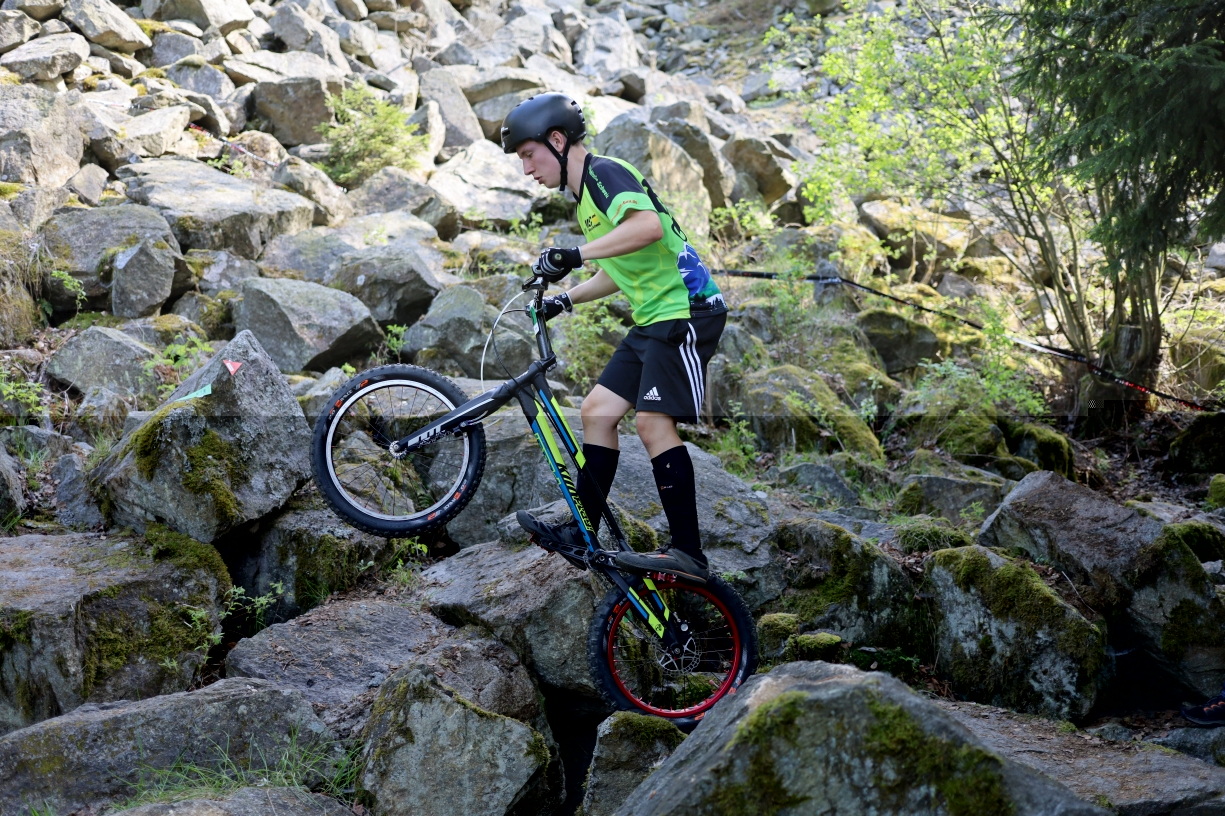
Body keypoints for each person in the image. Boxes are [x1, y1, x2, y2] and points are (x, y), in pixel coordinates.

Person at [500, 92, 727, 584]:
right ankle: (586, 533)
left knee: (651, 423)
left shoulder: (605, 173)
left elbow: (645, 226)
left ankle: (689, 552)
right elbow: (617, 269)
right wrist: (568, 298)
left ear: (557, 141)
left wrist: (574, 255)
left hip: (687, 310)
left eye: (528, 155)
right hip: (654, 317)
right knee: (597, 411)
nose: (527, 170)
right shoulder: (586, 202)